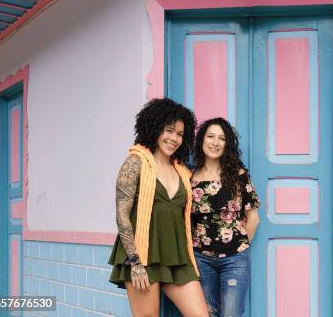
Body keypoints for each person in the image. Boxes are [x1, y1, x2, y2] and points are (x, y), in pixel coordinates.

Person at [108, 98, 208, 317]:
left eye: (180, 134)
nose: (174, 138)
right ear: (154, 128)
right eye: (169, 130)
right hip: (142, 256)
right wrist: (135, 262)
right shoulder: (135, 162)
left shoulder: (182, 170)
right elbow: (122, 215)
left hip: (178, 257)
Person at [191, 118, 261, 317]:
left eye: (221, 138)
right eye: (210, 136)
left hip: (235, 260)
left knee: (231, 314)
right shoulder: (190, 177)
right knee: (208, 313)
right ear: (202, 140)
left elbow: (253, 219)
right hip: (201, 260)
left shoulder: (238, 175)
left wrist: (237, 248)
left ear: (227, 144)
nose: (215, 142)